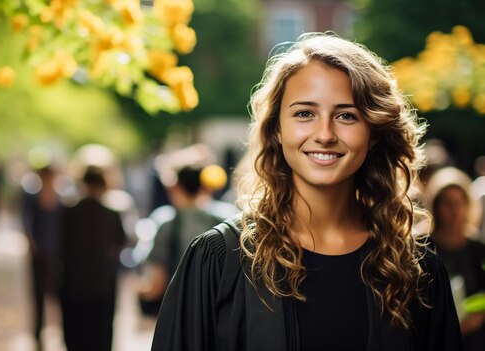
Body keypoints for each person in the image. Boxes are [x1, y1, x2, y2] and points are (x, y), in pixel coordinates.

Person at [151, 33, 462, 351]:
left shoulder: (416, 269)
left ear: (374, 134)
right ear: (277, 129)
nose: (324, 134)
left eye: (346, 116)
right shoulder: (217, 261)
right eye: (304, 113)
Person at [138, 165, 226, 315]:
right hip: (219, 309)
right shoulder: (225, 218)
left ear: (176, 188)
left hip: (181, 311)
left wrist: (139, 292)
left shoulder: (166, 222)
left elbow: (156, 284)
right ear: (205, 187)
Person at [58, 166, 126, 351]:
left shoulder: (68, 212)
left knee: (75, 336)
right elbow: (120, 244)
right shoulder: (112, 214)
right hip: (102, 284)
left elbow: (59, 247)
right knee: (100, 336)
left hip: (73, 283)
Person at [427, 167, 485, 351]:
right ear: (436, 206)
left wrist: (476, 317)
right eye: (448, 203)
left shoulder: (478, 248)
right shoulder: (423, 246)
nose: (455, 211)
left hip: (473, 339)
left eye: (460, 203)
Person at [21, 166, 62, 348]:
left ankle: (56, 332)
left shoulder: (60, 200)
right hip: (39, 254)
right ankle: (38, 333)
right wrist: (31, 242)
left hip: (55, 255)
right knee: (37, 295)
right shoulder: (32, 198)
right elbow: (27, 222)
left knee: (55, 295)